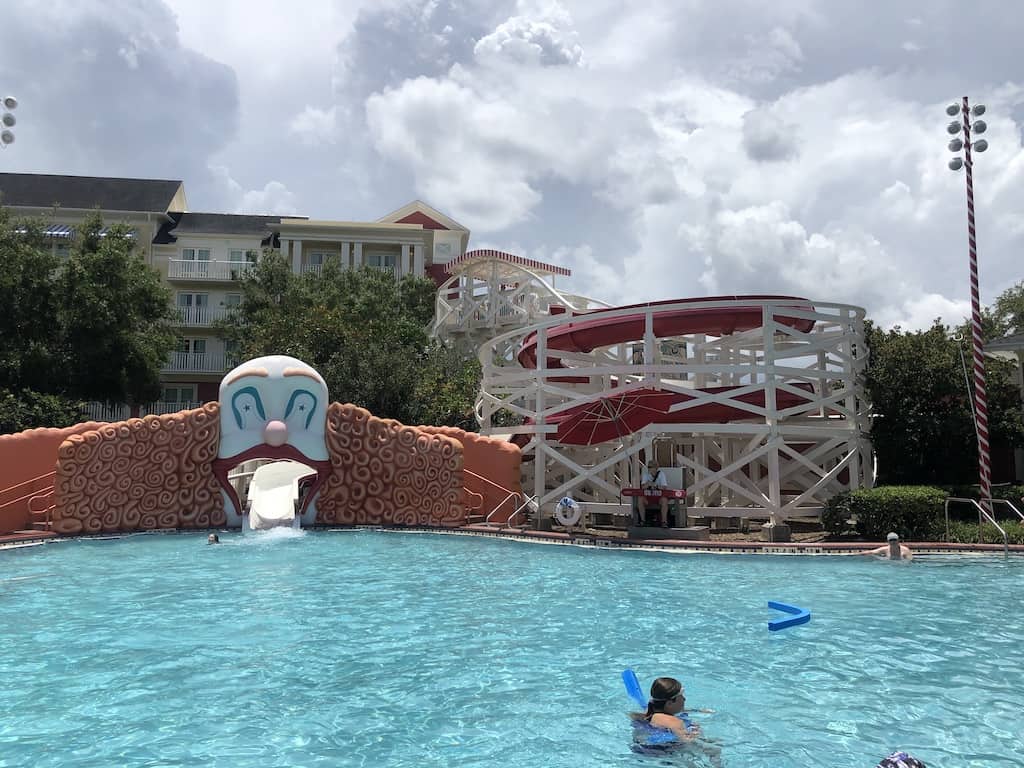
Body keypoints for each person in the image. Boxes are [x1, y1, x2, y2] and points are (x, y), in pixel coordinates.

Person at [633, 677, 700, 741]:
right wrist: (696, 732)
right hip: (661, 751)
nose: (684, 699)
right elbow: (688, 743)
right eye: (681, 696)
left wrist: (698, 710)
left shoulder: (647, 712)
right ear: (669, 703)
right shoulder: (675, 722)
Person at [640, 460, 670, 527]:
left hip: (659, 497)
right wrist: (648, 484)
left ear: (655, 468)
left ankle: (664, 522)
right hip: (649, 496)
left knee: (664, 500)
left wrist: (655, 485)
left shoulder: (661, 474)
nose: (649, 468)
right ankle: (643, 520)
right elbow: (642, 487)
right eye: (648, 467)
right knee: (640, 499)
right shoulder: (646, 475)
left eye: (650, 467)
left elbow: (664, 487)